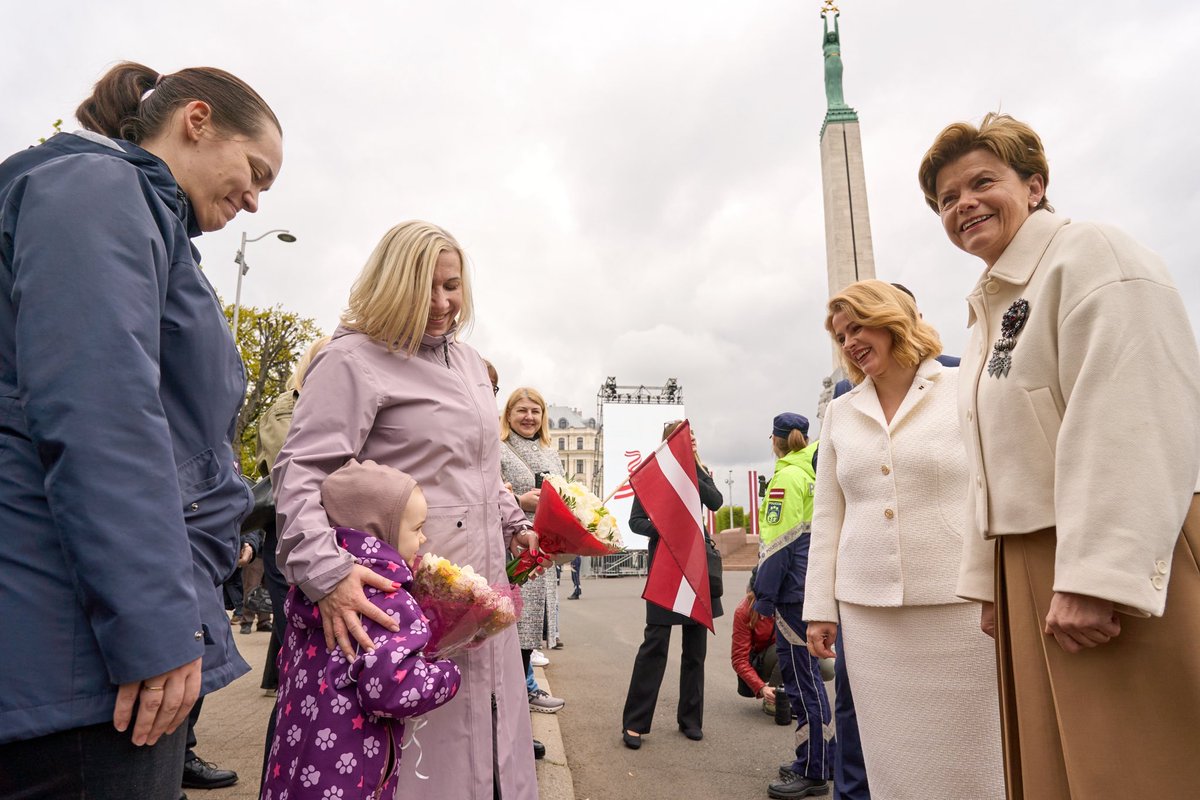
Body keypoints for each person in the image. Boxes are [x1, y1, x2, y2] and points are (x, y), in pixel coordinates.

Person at [0, 62, 282, 798]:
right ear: (196, 120)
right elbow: (102, 417)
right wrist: (155, 632)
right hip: (79, 654)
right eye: (256, 171)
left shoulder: (132, 212)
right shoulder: (97, 190)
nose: (253, 199)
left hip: (85, 641)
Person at [918, 112, 1200, 798]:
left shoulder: (1091, 255)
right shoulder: (991, 307)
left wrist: (1099, 576)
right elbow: (990, 461)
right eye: (948, 198)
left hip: (1104, 560)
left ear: (1036, 185)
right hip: (1031, 567)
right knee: (1054, 771)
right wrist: (989, 580)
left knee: (1136, 765)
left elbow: (1134, 412)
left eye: (983, 182)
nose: (964, 204)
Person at [273, 221, 539, 799]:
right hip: (399, 612)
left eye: (453, 285)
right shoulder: (351, 359)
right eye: (427, 288)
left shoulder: (470, 363)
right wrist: (327, 575)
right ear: (393, 284)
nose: (443, 303)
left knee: (487, 755)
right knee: (416, 763)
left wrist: (519, 526)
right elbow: (300, 475)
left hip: (478, 601)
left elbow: (480, 470)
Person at [802, 281, 1003, 799]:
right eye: (841, 335)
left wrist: (997, 584)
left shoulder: (966, 385)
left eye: (857, 327)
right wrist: (820, 608)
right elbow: (828, 517)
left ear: (892, 321)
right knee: (892, 759)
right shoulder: (840, 413)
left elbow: (994, 488)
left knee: (977, 756)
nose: (848, 342)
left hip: (960, 607)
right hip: (870, 619)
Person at [263, 459, 461, 799]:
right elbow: (389, 690)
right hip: (349, 770)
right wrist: (447, 674)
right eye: (416, 529)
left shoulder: (315, 586)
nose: (424, 538)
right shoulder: (387, 598)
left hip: (293, 755)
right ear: (380, 529)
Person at [621, 421, 723, 749]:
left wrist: (694, 466)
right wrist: (665, 529)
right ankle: (635, 723)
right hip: (666, 568)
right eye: (682, 437)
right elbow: (635, 522)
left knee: (695, 651)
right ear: (667, 442)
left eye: (692, 436)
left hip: (696, 569)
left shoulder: (700, 468)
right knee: (655, 646)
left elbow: (716, 501)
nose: (689, 440)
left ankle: (690, 720)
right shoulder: (654, 474)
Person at [753, 414, 834, 800]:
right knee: (809, 681)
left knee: (803, 684)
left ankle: (812, 770)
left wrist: (764, 595)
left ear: (777, 440)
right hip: (808, 586)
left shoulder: (787, 478)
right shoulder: (812, 471)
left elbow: (779, 544)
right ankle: (820, 758)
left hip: (791, 593)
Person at [499, 387, 566, 715]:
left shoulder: (550, 451)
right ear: (508, 415)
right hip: (513, 549)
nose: (528, 417)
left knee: (531, 633)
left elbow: (567, 496)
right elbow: (487, 494)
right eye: (522, 411)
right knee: (512, 630)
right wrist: (518, 501)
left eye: (535, 411)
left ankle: (522, 702)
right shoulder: (498, 449)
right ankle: (516, 707)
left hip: (546, 550)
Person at [730, 568, 781, 715]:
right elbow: (739, 659)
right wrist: (761, 688)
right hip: (762, 663)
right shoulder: (744, 611)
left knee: (827, 667)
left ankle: (799, 691)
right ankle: (772, 696)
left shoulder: (788, 602)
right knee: (784, 649)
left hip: (783, 656)